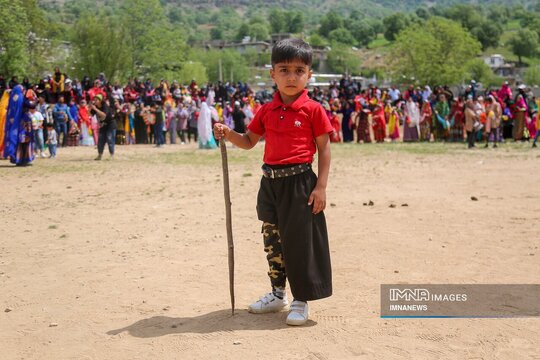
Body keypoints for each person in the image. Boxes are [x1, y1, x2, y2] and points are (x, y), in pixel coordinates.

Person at [213, 38, 333, 326]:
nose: (292, 77)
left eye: (299, 70)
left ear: (309, 75)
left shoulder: (313, 110)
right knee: (273, 240)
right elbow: (249, 141)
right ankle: (278, 294)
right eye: (284, 70)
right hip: (270, 183)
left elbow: (325, 148)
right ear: (272, 74)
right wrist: (228, 133)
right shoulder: (266, 111)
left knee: (299, 242)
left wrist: (321, 187)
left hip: (300, 183)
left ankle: (301, 299)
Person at [90, 94, 115, 160]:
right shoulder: (95, 107)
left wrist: (95, 109)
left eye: (96, 100)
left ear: (100, 100)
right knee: (100, 141)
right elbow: (89, 114)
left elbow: (104, 115)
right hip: (103, 125)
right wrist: (90, 108)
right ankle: (100, 155)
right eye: (94, 100)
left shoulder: (105, 106)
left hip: (110, 124)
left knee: (109, 139)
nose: (94, 101)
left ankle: (111, 155)